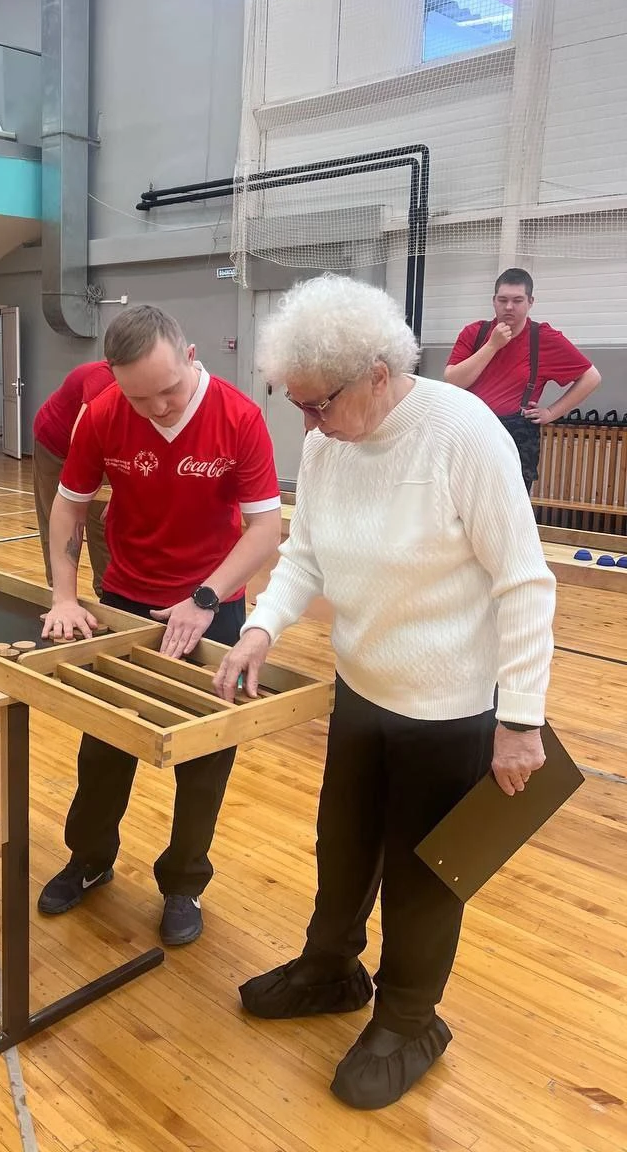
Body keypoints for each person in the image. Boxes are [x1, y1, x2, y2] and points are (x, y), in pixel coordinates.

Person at [212, 275, 555, 1110]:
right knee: (343, 845)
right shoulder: (330, 441)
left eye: (318, 404)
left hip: (451, 711)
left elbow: (524, 582)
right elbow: (305, 552)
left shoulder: (463, 434)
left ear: (376, 373)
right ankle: (331, 968)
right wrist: (262, 627)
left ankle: (409, 1019)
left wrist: (521, 721)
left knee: (422, 876)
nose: (308, 424)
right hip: (361, 690)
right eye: (296, 404)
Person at [38, 305, 282, 946]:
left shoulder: (239, 417)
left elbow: (265, 528)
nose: (158, 409)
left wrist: (205, 597)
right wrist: (64, 596)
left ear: (191, 356)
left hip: (213, 604)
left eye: (168, 390)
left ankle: (183, 883)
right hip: (124, 597)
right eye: (139, 397)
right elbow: (68, 509)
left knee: (205, 756)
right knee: (104, 745)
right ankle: (89, 859)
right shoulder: (103, 413)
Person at [444, 267, 601, 490]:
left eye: (517, 300)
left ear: (530, 302)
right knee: (462, 499)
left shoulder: (544, 338)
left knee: (511, 504)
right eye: (503, 300)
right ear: (494, 301)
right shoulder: (474, 333)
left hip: (516, 435)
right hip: (471, 431)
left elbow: (591, 377)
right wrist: (492, 346)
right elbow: (453, 382)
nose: (509, 307)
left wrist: (551, 413)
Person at [32, 360, 114, 597]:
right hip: (54, 444)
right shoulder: (102, 378)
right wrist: (75, 494)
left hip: (101, 448)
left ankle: (107, 592)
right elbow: (80, 440)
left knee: (103, 518)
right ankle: (59, 592)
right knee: (58, 515)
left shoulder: (142, 385)